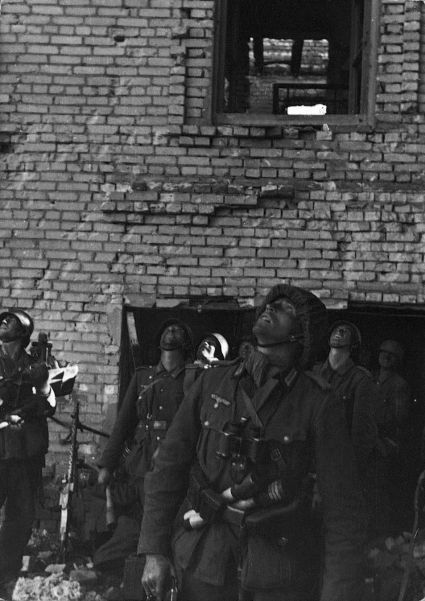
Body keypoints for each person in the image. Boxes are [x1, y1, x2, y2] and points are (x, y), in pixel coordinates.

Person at [139, 285, 366, 601]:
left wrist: (337, 594)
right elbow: (168, 465)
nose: (271, 308)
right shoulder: (212, 381)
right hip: (203, 561)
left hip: (278, 571)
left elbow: (344, 512)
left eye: (285, 309)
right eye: (271, 303)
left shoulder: (318, 403)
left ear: (302, 337)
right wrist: (154, 550)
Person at [94, 319, 194, 573]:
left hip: (175, 466)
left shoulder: (194, 379)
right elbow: (123, 425)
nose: (172, 330)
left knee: (169, 526)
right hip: (140, 464)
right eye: (168, 328)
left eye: (178, 329)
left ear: (186, 344)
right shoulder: (142, 376)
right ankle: (133, 574)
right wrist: (107, 464)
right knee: (140, 524)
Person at [0, 309, 56, 589]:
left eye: (10, 320)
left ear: (23, 332)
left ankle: (6, 574)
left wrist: (44, 384)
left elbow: (50, 404)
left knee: (20, 517)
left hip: (24, 455)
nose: (3, 321)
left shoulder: (37, 364)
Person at [313, 321, 381, 534]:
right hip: (308, 462)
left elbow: (363, 434)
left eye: (346, 332)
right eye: (336, 329)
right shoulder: (314, 372)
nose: (339, 332)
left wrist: (347, 474)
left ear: (354, 345)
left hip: (339, 468)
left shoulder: (361, 380)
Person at [374, 340, 411, 530]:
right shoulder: (370, 379)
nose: (386, 357)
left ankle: (384, 529)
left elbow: (399, 417)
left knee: (382, 487)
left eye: (392, 355)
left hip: (386, 442)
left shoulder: (399, 385)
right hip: (368, 438)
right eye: (384, 353)